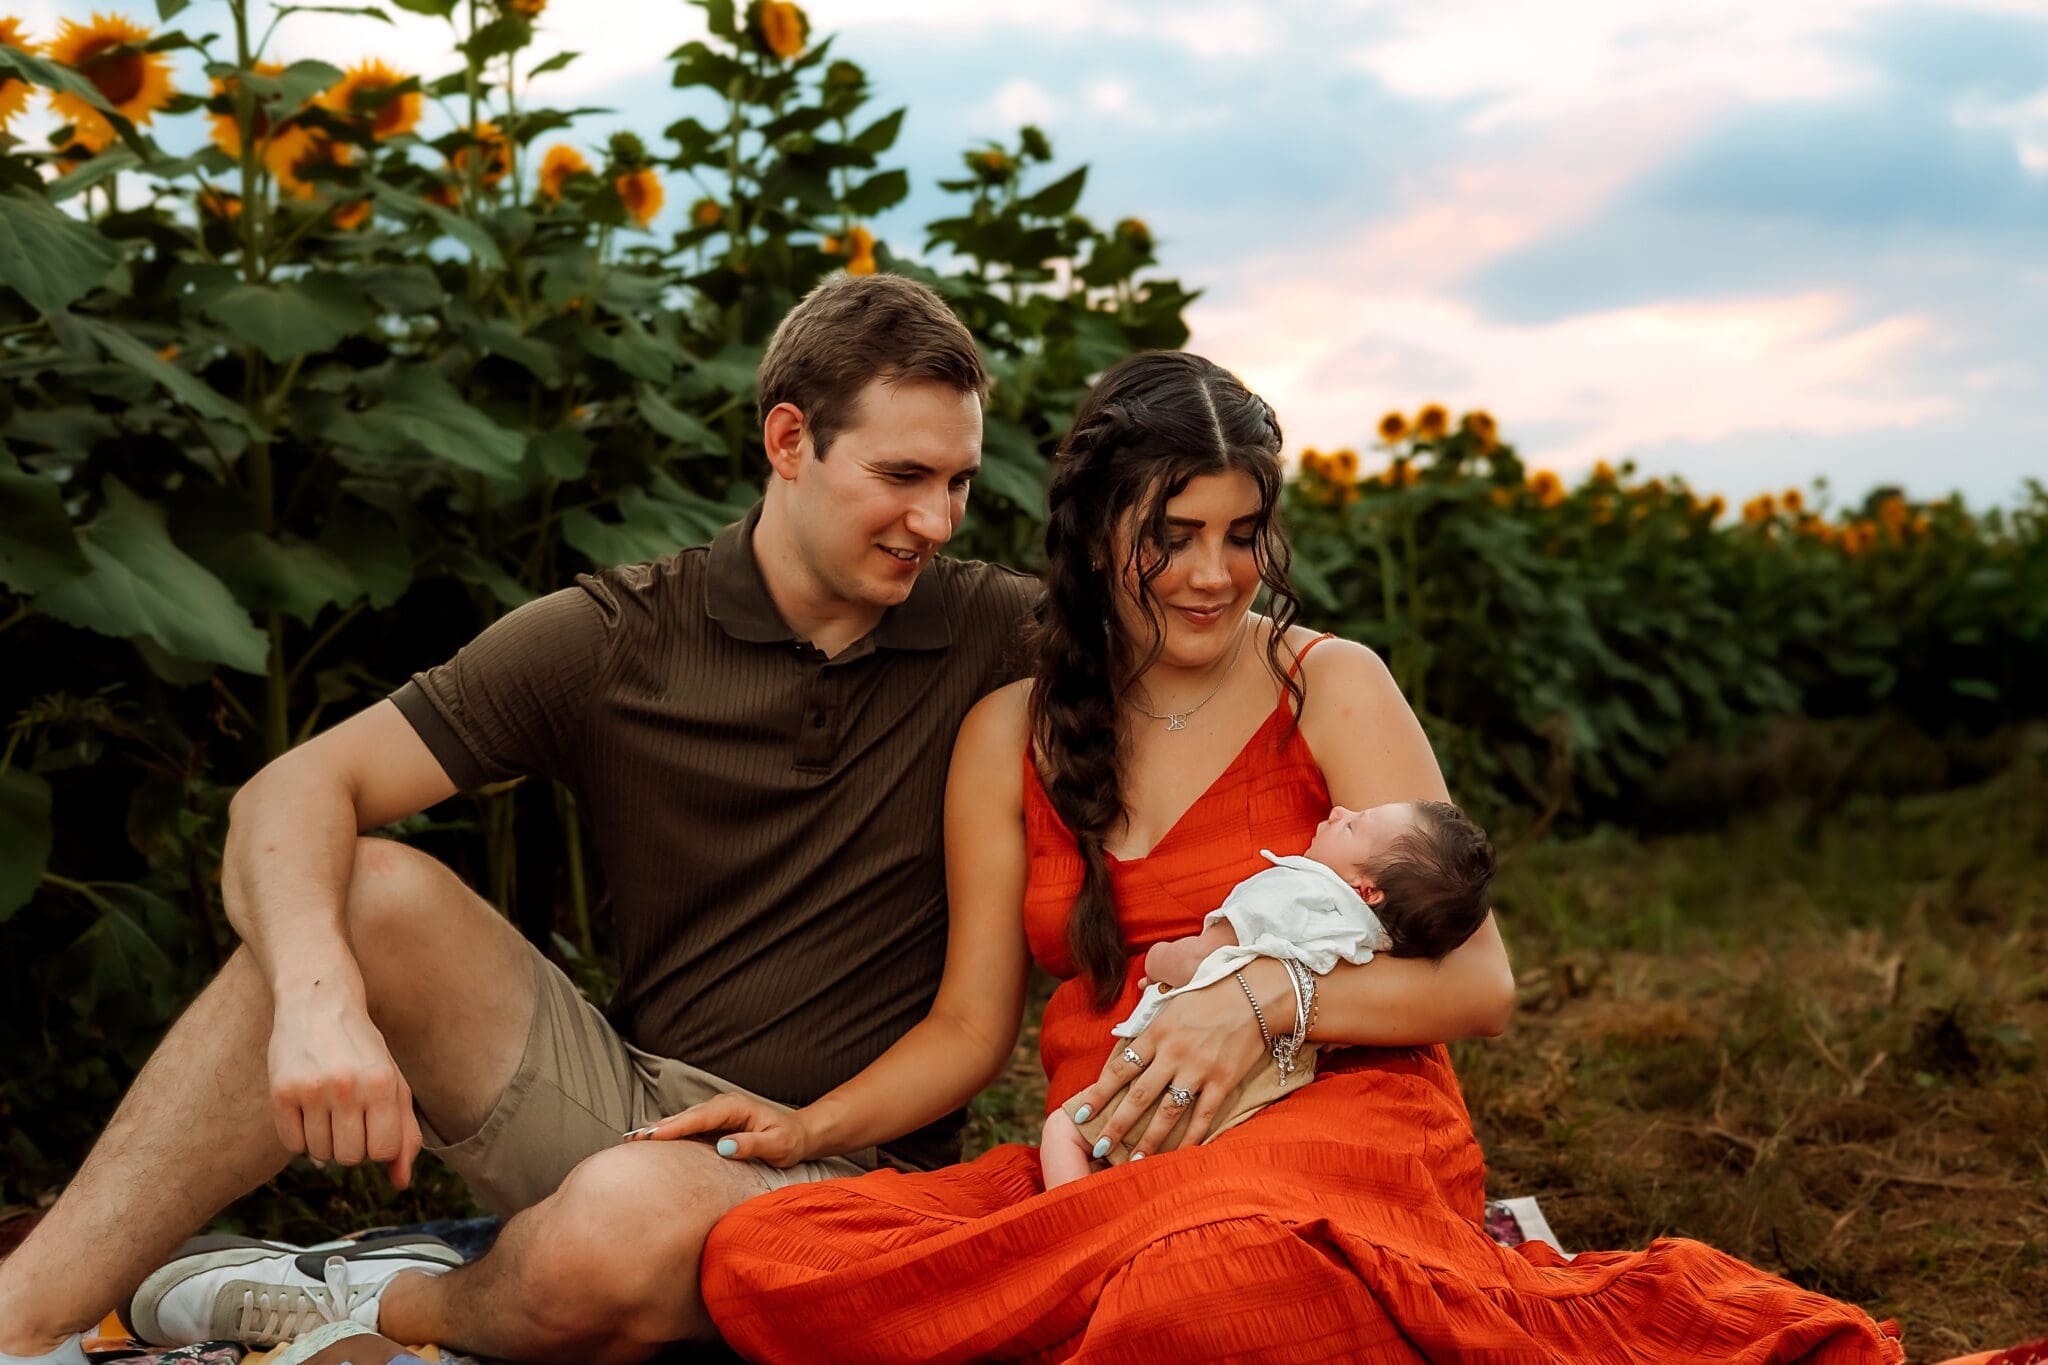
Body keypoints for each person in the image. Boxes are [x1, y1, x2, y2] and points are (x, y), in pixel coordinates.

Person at [661, 350, 1904, 1362]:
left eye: (1242, 534)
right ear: (1095, 533)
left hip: (1330, 1129)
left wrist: (1271, 996)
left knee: (1201, 1291)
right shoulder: (1006, 734)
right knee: (768, 1260)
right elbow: (968, 1030)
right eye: (1173, 535)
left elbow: (1477, 986)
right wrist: (800, 1128)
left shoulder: (1329, 684)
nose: (1213, 574)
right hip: (1106, 1157)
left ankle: (1206, 1308)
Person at [0, 272, 1039, 1365]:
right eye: (902, 476)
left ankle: (380, 1300)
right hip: (636, 1119)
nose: (935, 520)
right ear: (789, 441)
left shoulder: (1000, 631)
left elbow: (1223, 650)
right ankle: (23, 1323)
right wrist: (318, 1004)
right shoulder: (618, 637)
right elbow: (293, 787)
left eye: (958, 482)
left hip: (859, 1171)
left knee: (613, 1231)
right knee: (363, 894)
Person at [1040, 797, 1495, 1187]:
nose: (1339, 811)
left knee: (1066, 1131)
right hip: (1268, 1086)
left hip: (1183, 1062)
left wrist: (1158, 959)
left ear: (1368, 889)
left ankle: (1075, 1217)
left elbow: (1201, 959)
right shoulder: (1375, 940)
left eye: (1354, 826)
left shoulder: (1294, 890)